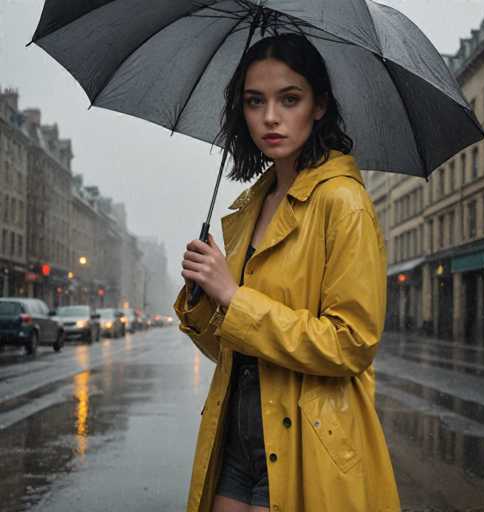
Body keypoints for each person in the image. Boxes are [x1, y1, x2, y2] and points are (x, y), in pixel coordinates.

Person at [174, 33, 400, 512]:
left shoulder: (343, 202)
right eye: (255, 101)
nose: (270, 117)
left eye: (289, 99)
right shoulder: (252, 206)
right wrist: (203, 300)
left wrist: (233, 297)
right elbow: (236, 346)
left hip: (306, 440)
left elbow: (350, 343)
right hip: (236, 429)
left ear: (319, 106)